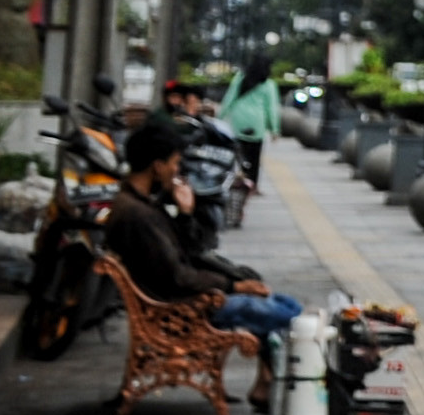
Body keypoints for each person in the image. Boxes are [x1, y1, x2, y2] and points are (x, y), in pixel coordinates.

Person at [108, 122, 303, 354]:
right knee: (289, 312)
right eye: (174, 163)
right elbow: (179, 276)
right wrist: (234, 286)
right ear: (158, 167)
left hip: (178, 299)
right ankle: (274, 370)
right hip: (178, 309)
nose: (177, 171)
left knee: (278, 301)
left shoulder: (140, 203)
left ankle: (267, 372)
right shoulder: (139, 215)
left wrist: (185, 213)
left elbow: (188, 250)